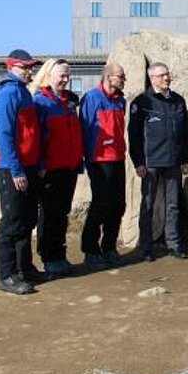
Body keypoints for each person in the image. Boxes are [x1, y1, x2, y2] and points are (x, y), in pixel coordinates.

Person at [0, 48, 45, 295]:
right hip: (12, 169)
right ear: (11, 67)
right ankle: (6, 274)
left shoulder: (23, 92)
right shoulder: (8, 93)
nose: (29, 71)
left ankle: (24, 268)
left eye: (30, 67)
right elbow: (4, 135)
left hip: (29, 167)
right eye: (25, 67)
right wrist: (16, 170)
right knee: (12, 222)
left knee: (26, 220)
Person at [128, 62, 188, 262]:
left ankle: (173, 244)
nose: (167, 78)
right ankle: (146, 248)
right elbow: (134, 135)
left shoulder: (178, 101)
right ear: (153, 78)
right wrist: (138, 162)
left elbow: (186, 133)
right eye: (162, 75)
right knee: (148, 205)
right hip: (150, 163)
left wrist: (185, 159)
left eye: (167, 74)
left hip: (173, 162)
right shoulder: (142, 102)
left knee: (172, 205)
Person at [32, 59, 83, 278]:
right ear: (48, 76)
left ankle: (60, 255)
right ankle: (49, 257)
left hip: (69, 165)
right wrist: (41, 164)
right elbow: (38, 136)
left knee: (62, 213)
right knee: (50, 214)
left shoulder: (69, 102)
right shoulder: (41, 102)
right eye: (61, 75)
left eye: (67, 75)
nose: (65, 79)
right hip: (50, 168)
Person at [79, 62, 128, 269]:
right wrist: (88, 159)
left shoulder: (120, 101)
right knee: (100, 204)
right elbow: (84, 128)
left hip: (118, 159)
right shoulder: (92, 98)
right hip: (99, 161)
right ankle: (90, 250)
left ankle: (109, 247)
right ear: (109, 77)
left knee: (118, 205)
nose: (124, 80)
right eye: (120, 76)